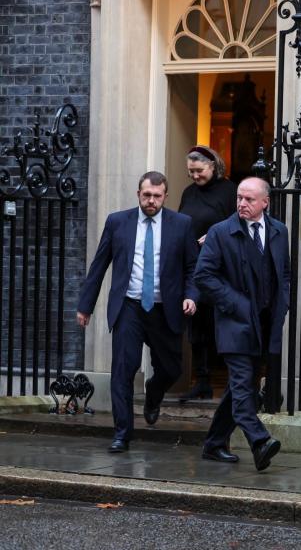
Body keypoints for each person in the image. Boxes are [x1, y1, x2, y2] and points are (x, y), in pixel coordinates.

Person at [76, 172, 199, 453]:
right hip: (129, 307)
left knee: (171, 369)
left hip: (164, 308)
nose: (151, 201)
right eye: (146, 195)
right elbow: (99, 265)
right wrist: (86, 306)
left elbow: (192, 267)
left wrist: (191, 296)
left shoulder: (182, 224)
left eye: (157, 196)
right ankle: (122, 433)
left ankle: (154, 393)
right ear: (138, 194)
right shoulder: (118, 222)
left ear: (165, 196)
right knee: (123, 370)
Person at [193, 177, 290, 471]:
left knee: (241, 387)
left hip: (264, 323)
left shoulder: (278, 231)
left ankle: (213, 444)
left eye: (249, 199)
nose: (242, 204)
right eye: (239, 198)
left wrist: (282, 306)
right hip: (234, 322)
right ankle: (259, 440)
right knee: (242, 383)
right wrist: (236, 303)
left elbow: (283, 274)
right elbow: (204, 277)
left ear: (265, 202)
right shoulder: (221, 232)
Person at [177, 145, 238, 402]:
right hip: (194, 268)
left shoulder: (230, 191)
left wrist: (214, 235)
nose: (194, 176)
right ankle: (201, 382)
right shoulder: (189, 193)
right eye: (191, 171)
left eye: (199, 170)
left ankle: (231, 384)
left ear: (213, 165)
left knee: (221, 325)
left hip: (222, 269)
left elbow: (239, 223)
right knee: (197, 327)